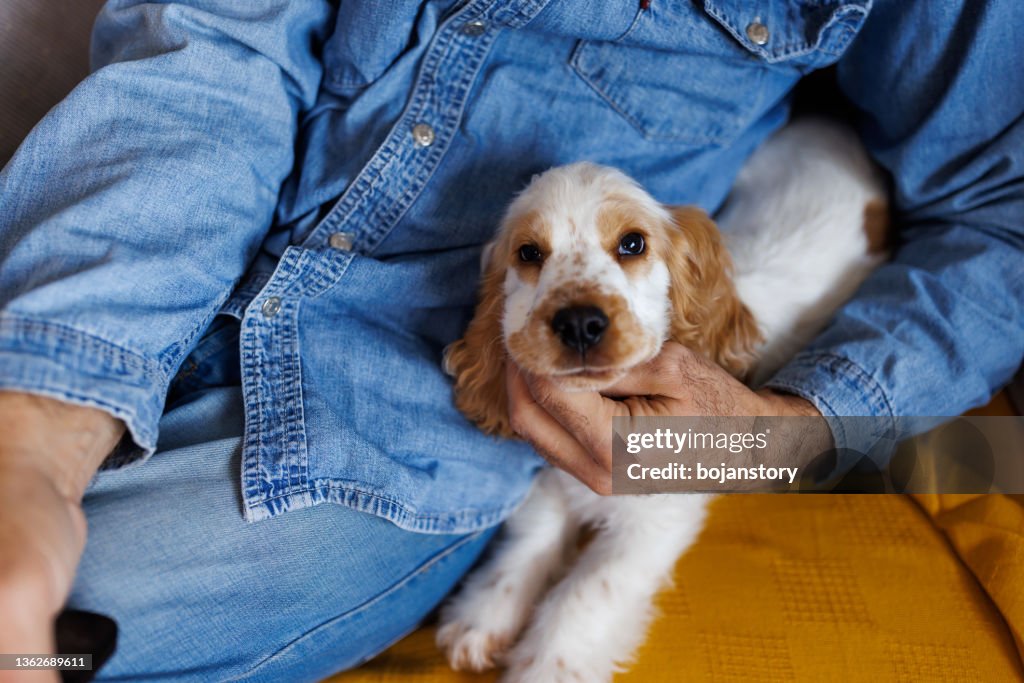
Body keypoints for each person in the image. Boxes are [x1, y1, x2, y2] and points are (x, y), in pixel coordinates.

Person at [0, 1, 1021, 680]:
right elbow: (208, 52)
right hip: (120, 281)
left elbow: (1002, 211)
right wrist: (36, 438)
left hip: (384, 430)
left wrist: (777, 438)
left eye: (625, 247)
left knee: (47, 633)